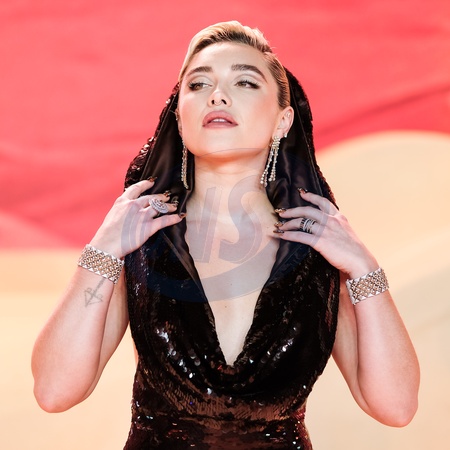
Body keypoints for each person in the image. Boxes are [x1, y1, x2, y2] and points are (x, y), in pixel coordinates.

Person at [32, 21, 420, 449]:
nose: (217, 95)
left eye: (245, 82)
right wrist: (102, 249)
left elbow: (396, 407)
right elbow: (54, 391)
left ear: (283, 121)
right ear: (180, 120)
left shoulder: (319, 251)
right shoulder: (141, 239)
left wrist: (364, 267)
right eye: (199, 84)